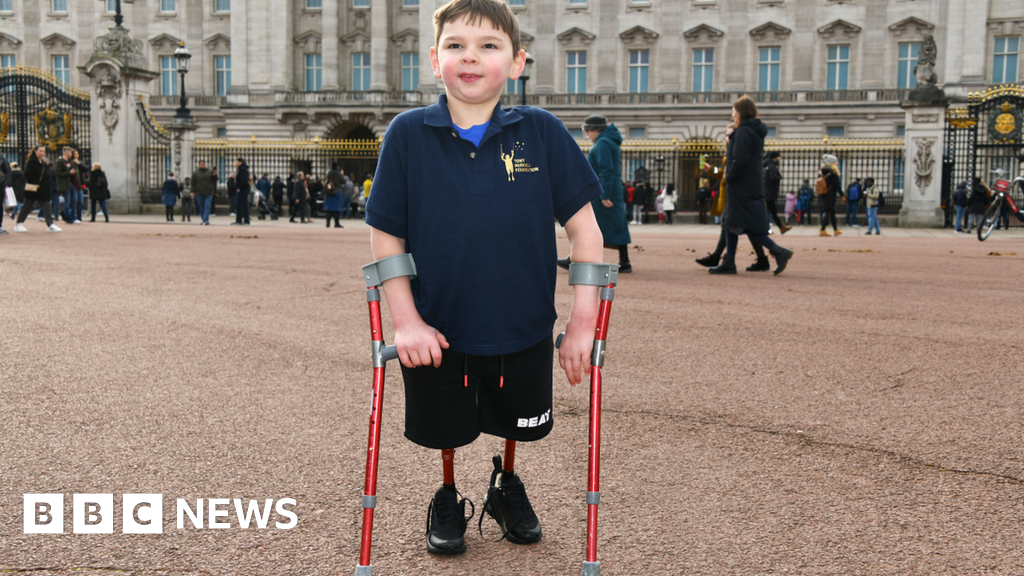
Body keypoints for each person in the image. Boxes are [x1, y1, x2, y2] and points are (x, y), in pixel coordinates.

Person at [365, 0, 605, 557]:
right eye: (456, 46)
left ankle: (506, 485)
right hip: (438, 325)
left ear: (517, 62)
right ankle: (448, 493)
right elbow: (385, 237)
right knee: (445, 428)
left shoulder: (541, 131)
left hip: (521, 321)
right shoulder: (406, 134)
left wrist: (581, 324)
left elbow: (587, 233)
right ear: (434, 59)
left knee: (517, 422)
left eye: (488, 46)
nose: (470, 57)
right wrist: (406, 322)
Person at [708, 95, 793, 275]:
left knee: (742, 224)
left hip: (741, 184)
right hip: (748, 182)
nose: (732, 114)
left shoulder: (744, 132)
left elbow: (739, 161)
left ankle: (777, 251)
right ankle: (729, 260)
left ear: (741, 111)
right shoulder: (753, 131)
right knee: (732, 221)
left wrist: (729, 177)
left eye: (734, 110)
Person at [558, 114, 632, 273]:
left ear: (595, 130)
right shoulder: (609, 141)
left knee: (590, 226)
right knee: (614, 225)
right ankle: (624, 261)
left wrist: (605, 195)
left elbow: (607, 170)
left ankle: (575, 259)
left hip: (603, 192)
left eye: (587, 130)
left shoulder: (603, 143)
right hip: (610, 190)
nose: (587, 135)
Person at [14, 145, 61, 233]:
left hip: (43, 188)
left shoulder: (43, 162)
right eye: (40, 151)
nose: (42, 153)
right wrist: (35, 182)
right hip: (33, 188)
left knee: (47, 205)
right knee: (27, 206)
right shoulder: (31, 161)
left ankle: (50, 224)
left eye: (43, 151)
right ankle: (18, 223)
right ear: (35, 151)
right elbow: (28, 174)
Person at [763, 150, 790, 233]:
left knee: (772, 211)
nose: (779, 158)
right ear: (775, 157)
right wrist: (779, 176)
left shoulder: (767, 165)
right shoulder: (772, 166)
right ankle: (765, 228)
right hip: (769, 192)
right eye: (778, 156)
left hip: (767, 192)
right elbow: (773, 178)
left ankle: (781, 227)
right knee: (767, 212)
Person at [818, 156, 843, 236]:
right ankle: (822, 230)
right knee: (827, 212)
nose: (837, 163)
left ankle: (835, 229)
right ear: (832, 163)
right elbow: (837, 186)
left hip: (823, 195)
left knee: (832, 212)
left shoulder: (822, 173)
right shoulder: (833, 174)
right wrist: (842, 195)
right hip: (830, 196)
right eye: (836, 162)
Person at [191, 160, 218, 225]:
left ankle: (205, 220)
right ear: (199, 165)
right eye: (202, 164)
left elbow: (215, 179)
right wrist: (192, 191)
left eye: (204, 164)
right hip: (199, 192)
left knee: (207, 206)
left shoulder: (210, 172)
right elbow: (193, 183)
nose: (203, 165)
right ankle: (204, 219)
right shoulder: (195, 173)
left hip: (209, 192)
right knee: (201, 207)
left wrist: (215, 175)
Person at [323, 163, 345, 228]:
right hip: (337, 191)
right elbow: (344, 181)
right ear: (337, 167)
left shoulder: (328, 173)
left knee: (328, 208)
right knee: (336, 208)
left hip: (329, 191)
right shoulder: (339, 174)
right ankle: (336, 223)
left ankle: (328, 223)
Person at [233, 158, 251, 226]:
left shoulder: (242, 169)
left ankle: (243, 220)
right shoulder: (242, 169)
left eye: (236, 162)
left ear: (240, 162)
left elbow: (243, 180)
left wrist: (239, 188)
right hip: (243, 189)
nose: (235, 163)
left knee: (241, 205)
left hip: (243, 189)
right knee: (240, 205)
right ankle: (241, 220)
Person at [70, 149, 84, 224]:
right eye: (74, 154)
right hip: (73, 184)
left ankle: (78, 217)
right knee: (74, 201)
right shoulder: (69, 163)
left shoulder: (79, 162)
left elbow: (85, 168)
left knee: (80, 202)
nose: (76, 156)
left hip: (79, 184)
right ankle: (72, 216)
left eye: (77, 154)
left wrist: (79, 163)